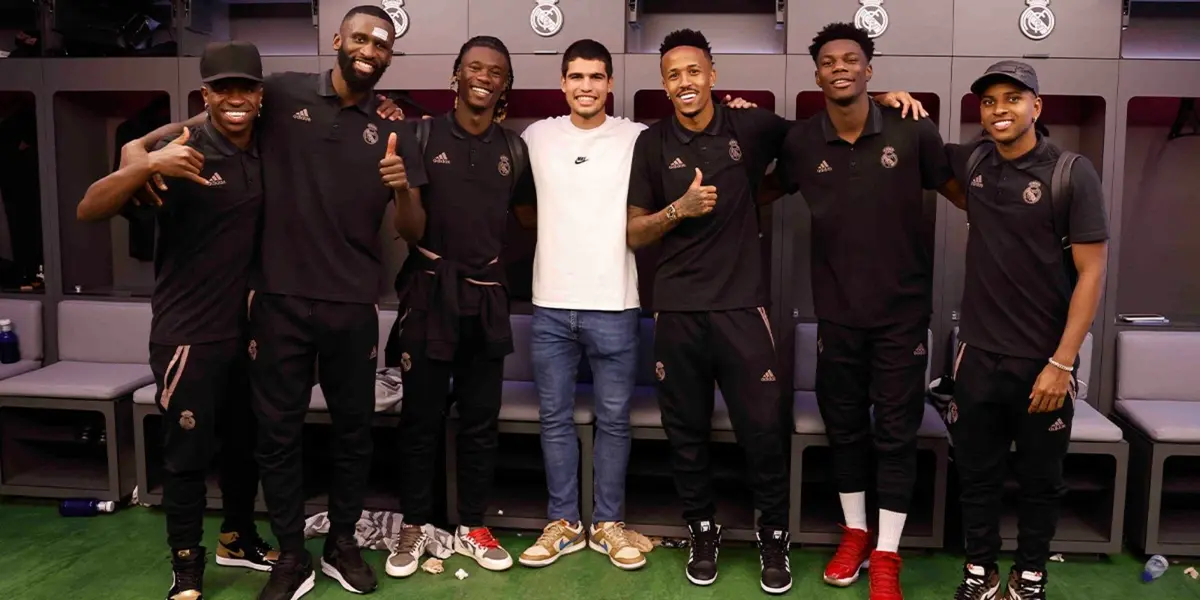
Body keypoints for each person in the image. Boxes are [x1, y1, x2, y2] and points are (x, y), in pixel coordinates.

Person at [125, 6, 426, 600]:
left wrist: (402, 185)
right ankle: (292, 554)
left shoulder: (398, 128)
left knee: (354, 432)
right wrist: (141, 150)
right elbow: (217, 109)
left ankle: (342, 543)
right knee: (278, 435)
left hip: (351, 302)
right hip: (279, 301)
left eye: (381, 43)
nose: (369, 49)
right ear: (338, 40)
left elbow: (413, 231)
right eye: (360, 37)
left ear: (391, 56)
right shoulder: (282, 94)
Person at [765, 22, 960, 600]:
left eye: (852, 59)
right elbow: (760, 187)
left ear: (870, 70)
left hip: (902, 316)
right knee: (845, 431)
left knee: (896, 436)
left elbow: (962, 191)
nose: (840, 68)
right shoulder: (802, 142)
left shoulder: (912, 129)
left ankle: (887, 554)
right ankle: (855, 533)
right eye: (829, 61)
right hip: (837, 317)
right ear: (817, 73)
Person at [76, 40, 277, 600]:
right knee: (187, 454)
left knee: (245, 444)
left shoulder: (267, 145)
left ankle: (238, 537)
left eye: (247, 88)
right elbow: (89, 208)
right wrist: (147, 159)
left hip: (251, 332)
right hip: (189, 334)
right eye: (223, 89)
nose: (236, 99)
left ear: (259, 94)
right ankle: (186, 568)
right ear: (205, 94)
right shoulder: (178, 147)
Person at [623, 27, 796, 594]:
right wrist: (681, 208)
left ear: (714, 76)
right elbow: (634, 231)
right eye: (673, 75)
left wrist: (890, 99)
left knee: (763, 431)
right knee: (686, 432)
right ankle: (702, 529)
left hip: (743, 308)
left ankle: (773, 537)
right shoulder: (651, 143)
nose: (685, 82)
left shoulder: (750, 125)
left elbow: (821, 142)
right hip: (677, 309)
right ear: (664, 85)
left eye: (694, 71)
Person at [944, 61, 1108, 600]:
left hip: (1043, 362)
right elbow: (918, 152)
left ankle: (1030, 573)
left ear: (1037, 106)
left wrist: (1061, 364)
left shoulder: (1070, 172)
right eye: (989, 102)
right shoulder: (973, 162)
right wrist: (897, 97)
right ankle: (980, 572)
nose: (999, 110)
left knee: (1040, 480)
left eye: (1012, 99)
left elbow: (1092, 274)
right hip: (978, 357)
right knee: (977, 475)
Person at [381, 35, 532, 579]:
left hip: (487, 298)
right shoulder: (421, 137)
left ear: (505, 84)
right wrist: (401, 190)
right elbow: (410, 229)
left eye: (495, 71)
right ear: (456, 76)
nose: (484, 77)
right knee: (420, 420)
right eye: (474, 67)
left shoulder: (513, 150)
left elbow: (532, 223)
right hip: (429, 294)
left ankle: (472, 525)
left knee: (480, 422)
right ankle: (415, 525)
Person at [513, 38, 650, 571]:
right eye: (576, 76)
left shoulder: (637, 137)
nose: (586, 86)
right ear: (563, 82)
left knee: (615, 419)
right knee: (554, 419)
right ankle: (565, 524)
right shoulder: (537, 135)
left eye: (596, 76)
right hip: (549, 304)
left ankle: (610, 524)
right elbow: (523, 206)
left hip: (615, 303)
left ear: (610, 83)